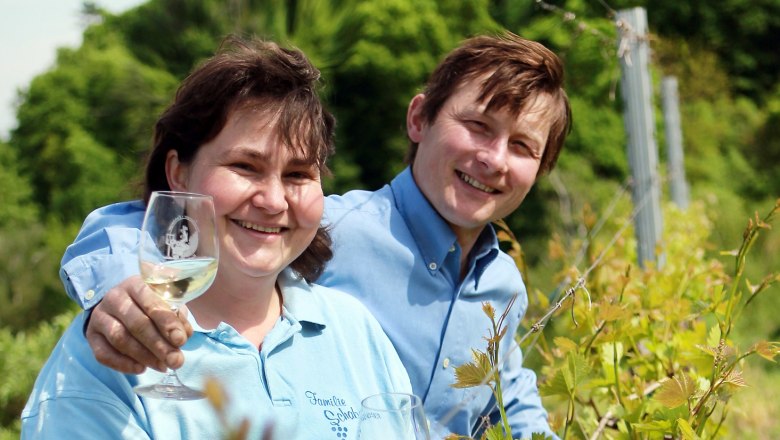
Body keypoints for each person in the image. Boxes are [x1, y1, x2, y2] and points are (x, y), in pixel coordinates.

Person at [55, 31, 571, 439]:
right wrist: (120, 294)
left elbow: (507, 399)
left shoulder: (503, 284)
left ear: (541, 167)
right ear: (419, 118)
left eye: (523, 146)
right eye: (478, 126)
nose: (494, 158)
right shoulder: (335, 227)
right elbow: (148, 220)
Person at [21, 36, 411, 439]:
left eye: (298, 175)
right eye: (245, 166)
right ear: (178, 173)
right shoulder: (114, 350)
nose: (274, 201)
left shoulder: (353, 330)